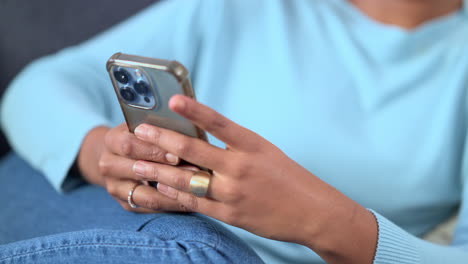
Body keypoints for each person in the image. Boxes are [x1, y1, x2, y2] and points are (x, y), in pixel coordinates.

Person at [1, 0, 468, 263]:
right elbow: (37, 87)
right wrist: (98, 152)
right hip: (106, 217)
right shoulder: (244, 7)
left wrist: (322, 220)